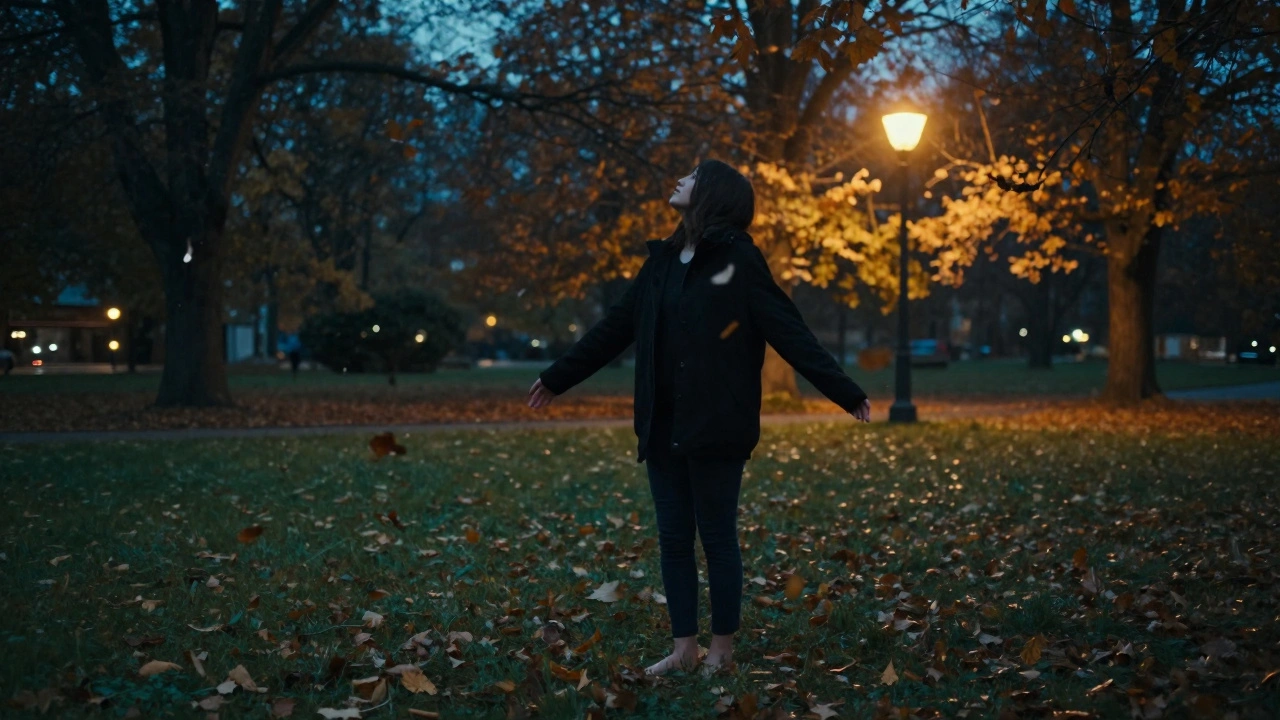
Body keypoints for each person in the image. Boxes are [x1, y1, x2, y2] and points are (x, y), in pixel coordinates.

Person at [527, 159, 871, 676]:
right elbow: (616, 327)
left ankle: (722, 650)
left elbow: (788, 330)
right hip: (662, 423)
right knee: (672, 540)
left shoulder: (739, 260)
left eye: (689, 176)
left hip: (717, 424)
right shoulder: (662, 261)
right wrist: (558, 377)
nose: (678, 180)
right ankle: (684, 648)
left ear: (713, 194)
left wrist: (845, 392)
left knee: (715, 537)